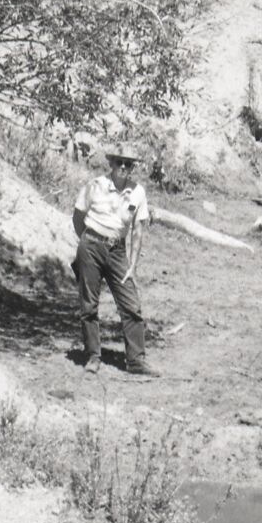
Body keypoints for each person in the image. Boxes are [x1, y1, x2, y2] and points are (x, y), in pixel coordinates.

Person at [71, 139, 152, 373]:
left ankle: (136, 360)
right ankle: (93, 356)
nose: (124, 168)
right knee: (89, 304)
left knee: (131, 305)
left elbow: (137, 229)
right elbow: (78, 217)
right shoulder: (94, 185)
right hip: (91, 246)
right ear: (112, 163)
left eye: (128, 164)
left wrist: (133, 265)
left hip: (117, 252)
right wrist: (88, 242)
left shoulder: (138, 192)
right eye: (120, 162)